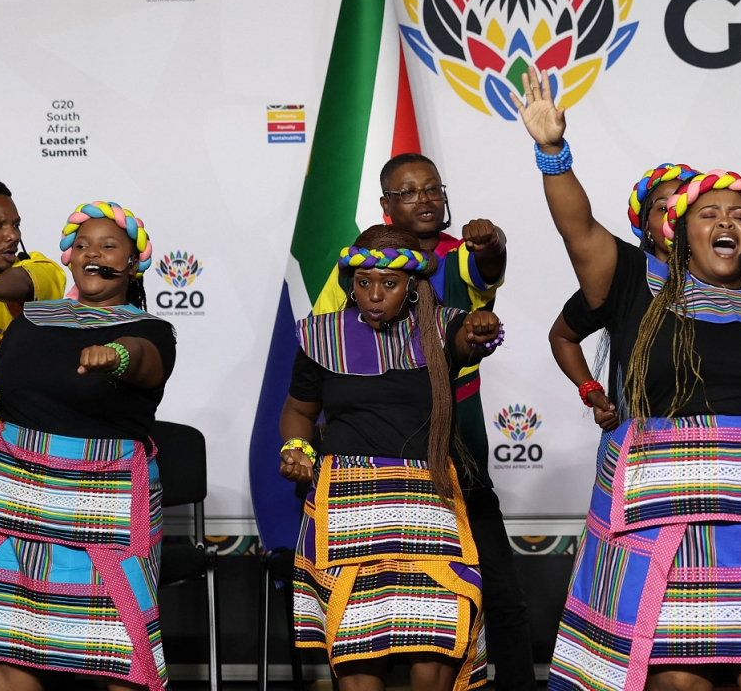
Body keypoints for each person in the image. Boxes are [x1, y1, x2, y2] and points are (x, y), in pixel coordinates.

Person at [512, 66, 741, 691]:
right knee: (677, 682)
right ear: (678, 231)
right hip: (663, 528)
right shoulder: (635, 287)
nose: (726, 222)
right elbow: (578, 228)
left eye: (740, 215)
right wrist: (553, 152)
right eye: (708, 213)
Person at [312, 154, 534, 691]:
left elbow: (490, 266)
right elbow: (323, 346)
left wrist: (492, 242)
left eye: (433, 189)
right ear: (385, 205)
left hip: (456, 442)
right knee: (375, 601)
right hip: (375, 458)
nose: (425, 199)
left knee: (497, 587)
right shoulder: (356, 266)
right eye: (409, 192)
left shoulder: (459, 256)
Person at [283, 228, 506, 691]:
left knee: (438, 638)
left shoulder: (441, 326)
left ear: (412, 285)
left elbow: (470, 341)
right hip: (348, 503)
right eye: (363, 282)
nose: (374, 294)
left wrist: (480, 329)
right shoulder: (321, 335)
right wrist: (296, 448)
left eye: (388, 283)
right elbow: (299, 412)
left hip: (426, 500)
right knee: (358, 645)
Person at [0, 201, 174, 691]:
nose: (93, 253)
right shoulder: (32, 317)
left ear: (131, 264)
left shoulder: (148, 329)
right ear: (68, 257)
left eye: (108, 246)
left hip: (102, 497)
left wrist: (116, 355)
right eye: (83, 245)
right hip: (16, 491)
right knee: (7, 644)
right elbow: (1, 384)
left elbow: (145, 359)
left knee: (122, 649)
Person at [548, 163, 698, 433]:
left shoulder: (733, 284)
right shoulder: (626, 277)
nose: (674, 216)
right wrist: (592, 392)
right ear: (647, 226)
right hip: (641, 446)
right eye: (663, 208)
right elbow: (562, 337)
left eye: (685, 207)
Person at [0, 179, 66, 431]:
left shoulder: (39, 267)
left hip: (9, 444)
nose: (13, 235)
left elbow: (25, 283)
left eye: (16, 225)